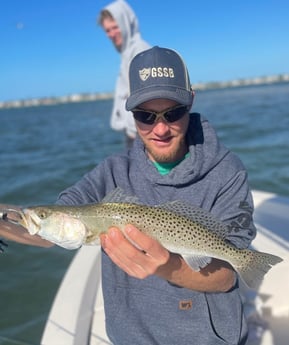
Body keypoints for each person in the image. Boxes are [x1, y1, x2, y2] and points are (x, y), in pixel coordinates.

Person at [0, 46, 257, 345]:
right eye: (145, 116)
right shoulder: (111, 171)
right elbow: (50, 230)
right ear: (130, 112)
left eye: (173, 113)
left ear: (191, 102)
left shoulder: (229, 173)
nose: (160, 128)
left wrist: (165, 266)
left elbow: (227, 277)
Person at [97, 0, 150, 148]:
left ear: (126, 23)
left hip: (142, 136)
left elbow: (147, 98)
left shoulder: (139, 52)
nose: (111, 34)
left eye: (115, 27)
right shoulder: (126, 54)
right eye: (107, 30)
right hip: (135, 133)